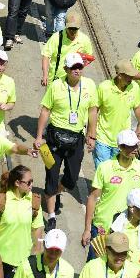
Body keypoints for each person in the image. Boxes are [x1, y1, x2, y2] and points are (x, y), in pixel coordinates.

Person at [36, 52, 98, 229]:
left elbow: (92, 111)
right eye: (73, 68)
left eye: (79, 67)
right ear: (66, 69)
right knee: (51, 176)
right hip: (54, 137)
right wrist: (39, 136)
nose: (77, 71)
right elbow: (45, 111)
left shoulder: (89, 86)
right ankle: (52, 216)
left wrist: (91, 135)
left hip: (76, 138)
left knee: (71, 178)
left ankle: (56, 192)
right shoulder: (56, 86)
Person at [82, 129, 140, 252]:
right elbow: (92, 198)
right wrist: (87, 229)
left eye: (135, 145)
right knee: (95, 265)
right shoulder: (104, 168)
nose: (135, 148)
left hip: (127, 229)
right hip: (103, 226)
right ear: (120, 147)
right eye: (130, 146)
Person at [0, 165, 44, 278]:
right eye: (28, 182)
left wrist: (38, 249)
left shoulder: (35, 201)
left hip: (25, 261)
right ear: (17, 183)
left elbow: (38, 228)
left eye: (32, 181)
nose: (31, 185)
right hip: (1, 260)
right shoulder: (2, 200)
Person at [93, 61, 140, 167]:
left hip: (122, 140)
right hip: (103, 138)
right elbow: (94, 110)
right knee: (102, 171)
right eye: (129, 76)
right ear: (120, 75)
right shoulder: (104, 87)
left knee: (119, 172)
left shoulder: (134, 88)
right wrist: (91, 133)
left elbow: (137, 108)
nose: (131, 78)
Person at [41, 8, 93, 86]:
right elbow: (46, 55)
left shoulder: (84, 40)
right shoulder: (56, 38)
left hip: (73, 81)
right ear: (65, 25)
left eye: (75, 29)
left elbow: (89, 57)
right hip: (55, 80)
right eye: (70, 28)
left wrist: (79, 65)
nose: (72, 31)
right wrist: (45, 75)